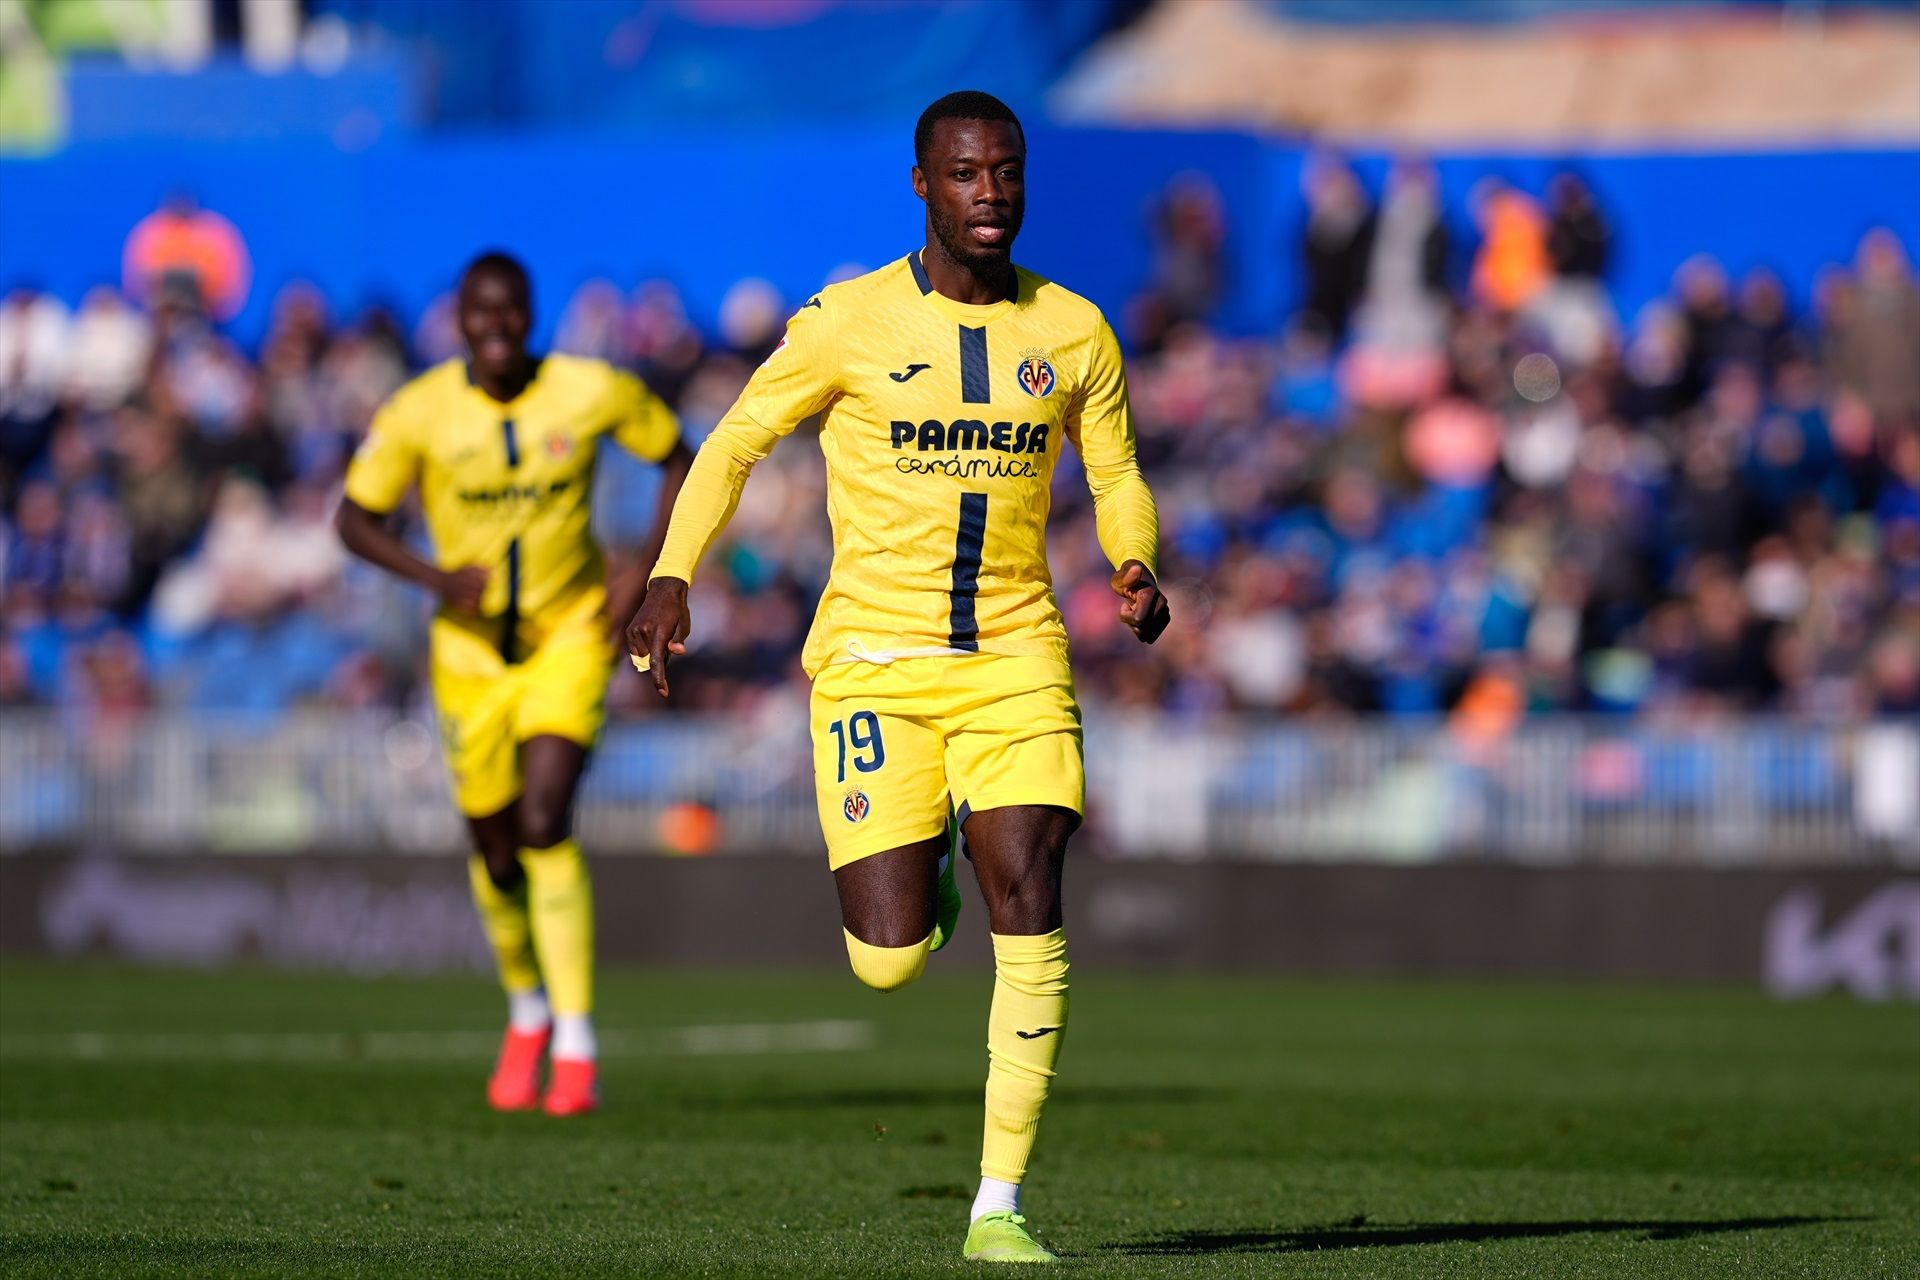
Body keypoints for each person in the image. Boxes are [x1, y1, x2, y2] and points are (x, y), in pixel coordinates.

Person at [627, 91, 1170, 1263]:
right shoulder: (846, 321)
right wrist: (674, 573)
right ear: (923, 186)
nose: (993, 195)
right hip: (873, 664)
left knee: (1033, 885)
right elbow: (732, 441)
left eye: (1008, 172)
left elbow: (1117, 468)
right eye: (968, 175)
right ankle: (926, 883)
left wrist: (1134, 560)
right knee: (884, 958)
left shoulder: (1074, 329)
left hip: (1018, 655)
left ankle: (999, 1203)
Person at [337, 252, 691, 1116]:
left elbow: (682, 459)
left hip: (569, 635)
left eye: (511, 312)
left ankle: (576, 1041)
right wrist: (433, 578)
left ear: (530, 315)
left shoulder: (590, 390)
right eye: (479, 314)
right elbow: (352, 518)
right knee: (496, 853)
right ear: (458, 322)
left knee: (544, 820)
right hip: (466, 657)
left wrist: (645, 572)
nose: (496, 327)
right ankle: (526, 1010)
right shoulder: (419, 412)